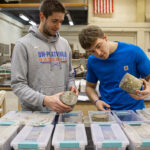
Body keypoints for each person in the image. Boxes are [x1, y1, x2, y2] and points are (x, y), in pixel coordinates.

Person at [11, 0, 78, 113]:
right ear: (42, 17)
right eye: (54, 21)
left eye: (61, 21)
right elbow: (18, 85)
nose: (58, 26)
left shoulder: (64, 44)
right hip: (34, 114)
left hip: (61, 111)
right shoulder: (23, 45)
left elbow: (70, 75)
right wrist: (45, 100)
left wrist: (72, 86)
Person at [78, 25, 150, 111]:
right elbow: (89, 87)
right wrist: (97, 101)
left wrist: (148, 88)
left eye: (98, 46)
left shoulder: (133, 51)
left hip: (135, 111)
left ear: (105, 37)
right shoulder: (92, 61)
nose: (98, 53)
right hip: (108, 112)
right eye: (92, 51)